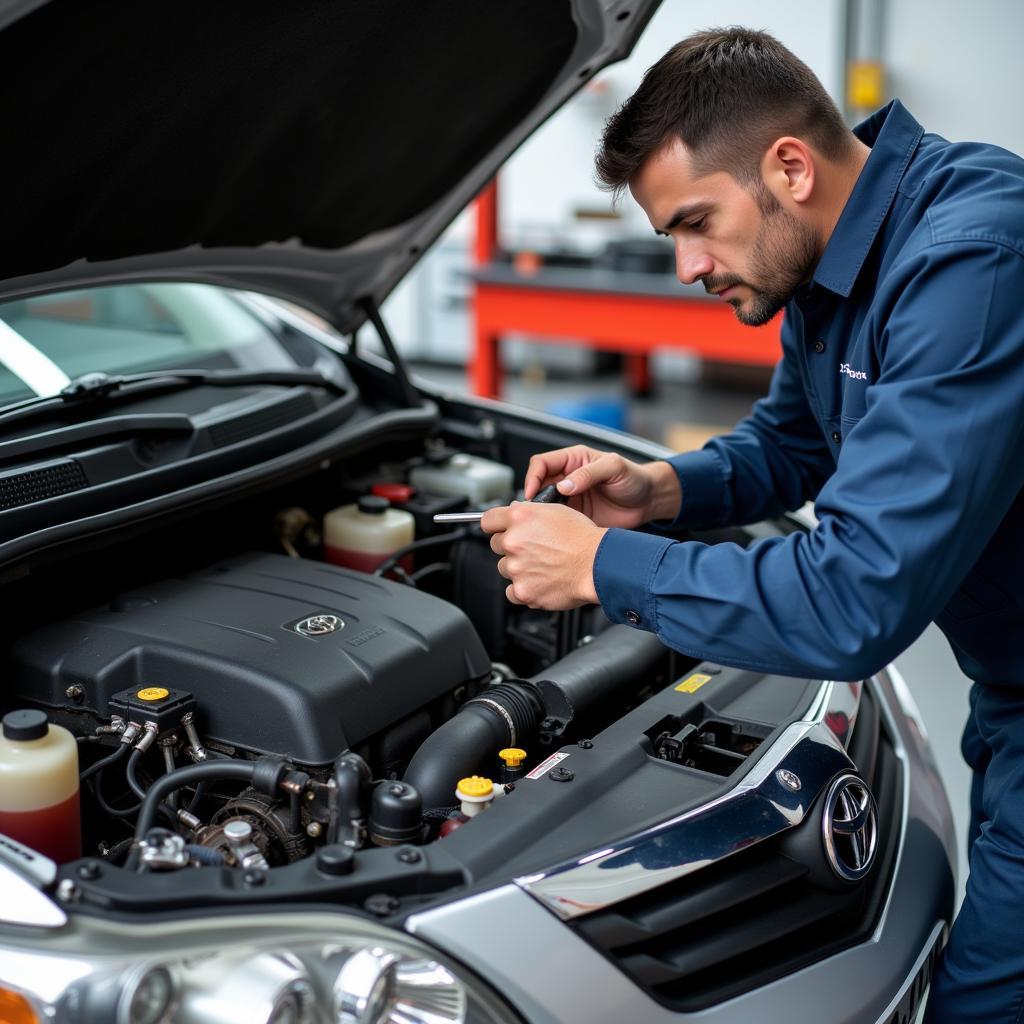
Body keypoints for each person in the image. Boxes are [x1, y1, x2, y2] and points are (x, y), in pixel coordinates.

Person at [479, 27, 1024, 1023]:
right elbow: (790, 444)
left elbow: (852, 597)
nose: (687, 265)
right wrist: (656, 491)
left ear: (788, 166)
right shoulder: (834, 257)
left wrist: (606, 564)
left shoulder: (971, 264)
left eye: (695, 222)